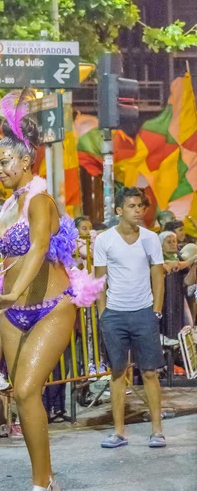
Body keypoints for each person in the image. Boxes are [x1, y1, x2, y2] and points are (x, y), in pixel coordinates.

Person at [0, 90, 103, 491]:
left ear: (25, 161)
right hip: (13, 312)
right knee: (20, 395)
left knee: (26, 390)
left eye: (3, 163)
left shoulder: (40, 200)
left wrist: (15, 293)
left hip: (51, 306)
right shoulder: (9, 206)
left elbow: (36, 250)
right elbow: (5, 249)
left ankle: (39, 487)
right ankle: (47, 479)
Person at [94, 187, 166, 449]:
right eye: (132, 206)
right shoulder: (104, 240)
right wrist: (103, 314)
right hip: (114, 314)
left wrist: (156, 310)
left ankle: (157, 430)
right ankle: (119, 432)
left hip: (144, 312)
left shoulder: (150, 238)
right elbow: (99, 279)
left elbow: (157, 275)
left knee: (149, 372)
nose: (138, 211)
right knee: (117, 372)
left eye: (140, 206)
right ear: (119, 211)